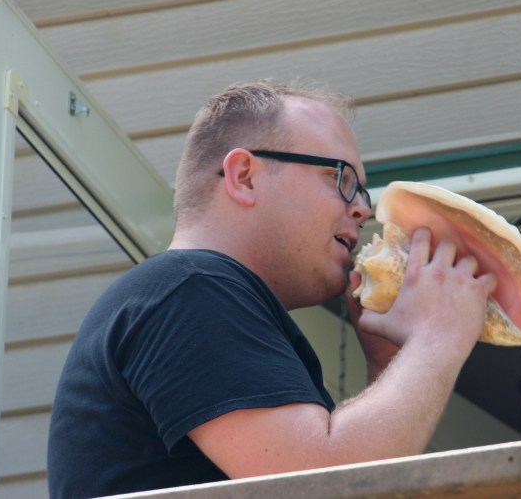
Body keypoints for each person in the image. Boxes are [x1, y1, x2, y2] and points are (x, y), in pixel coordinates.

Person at [47, 80, 496, 498]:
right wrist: (437, 337)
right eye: (340, 178)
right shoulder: (192, 288)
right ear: (244, 175)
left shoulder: (192, 293)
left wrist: (387, 362)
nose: (362, 208)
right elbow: (323, 483)